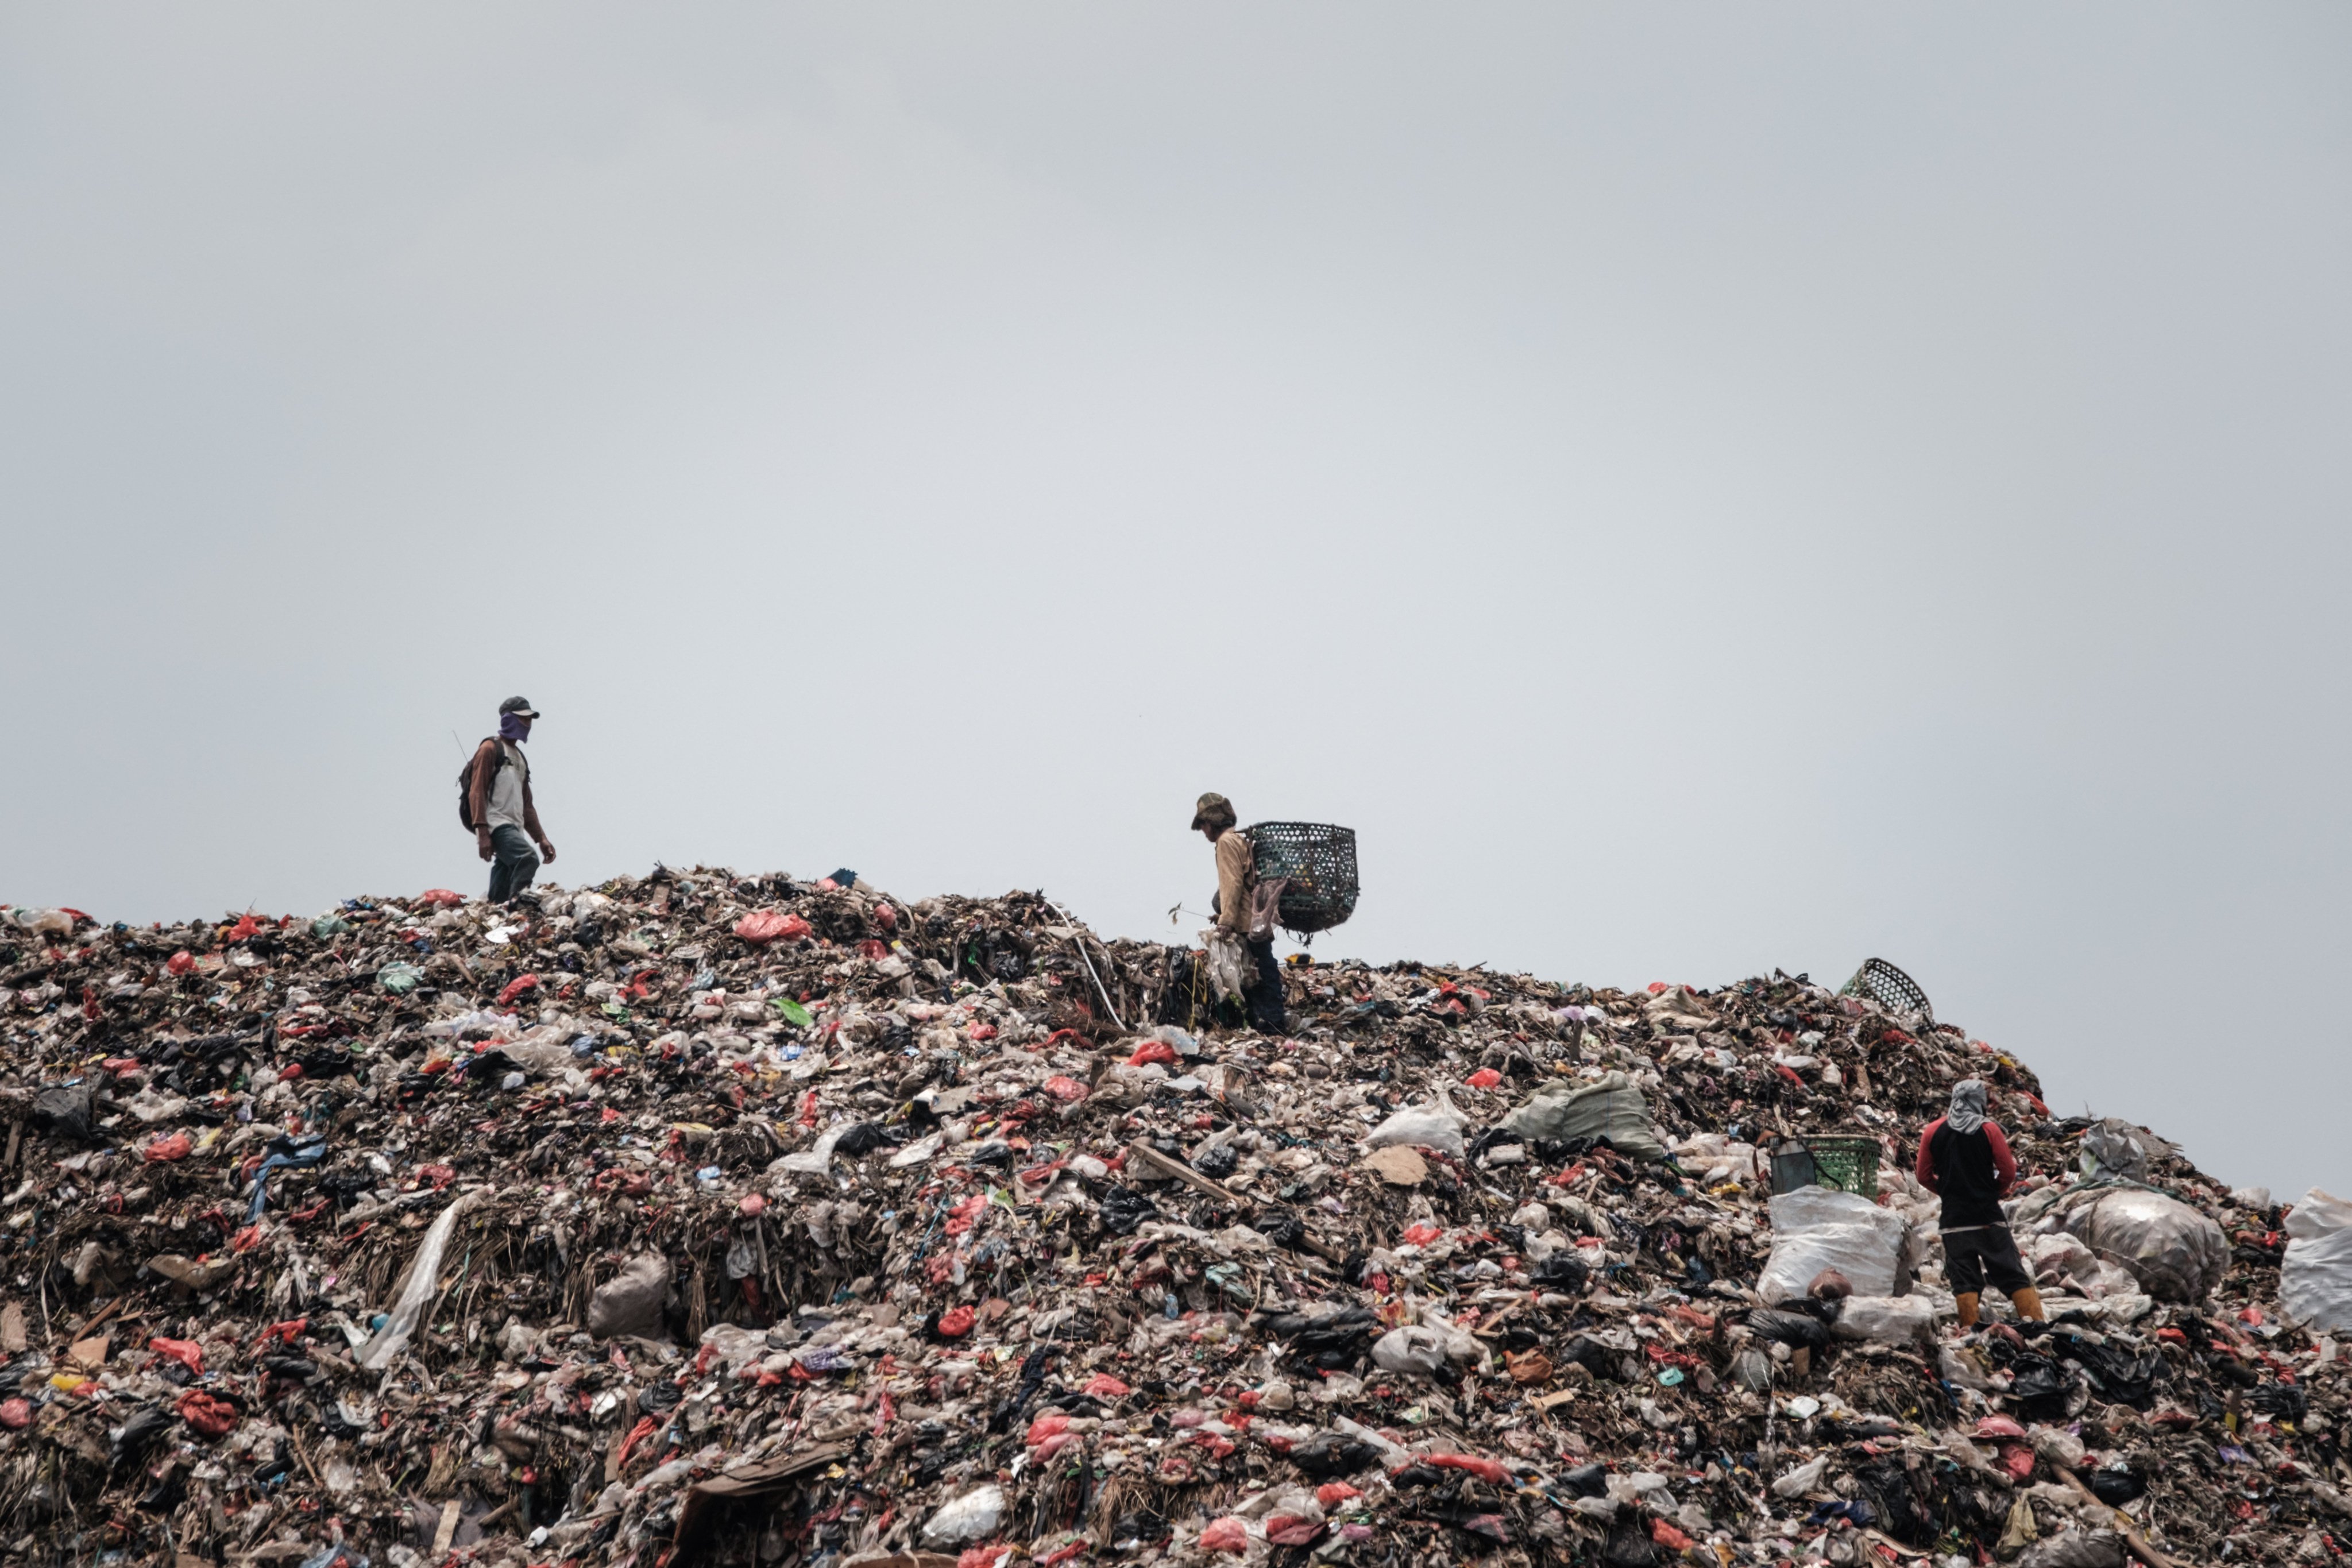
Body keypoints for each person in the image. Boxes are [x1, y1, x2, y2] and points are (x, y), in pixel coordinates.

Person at [1916, 1079, 2043, 1328]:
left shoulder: (1933, 1131)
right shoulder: (1989, 1129)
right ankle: (2039, 1326)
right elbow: (2008, 1171)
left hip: (1953, 1219)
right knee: (2011, 1273)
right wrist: (1992, 1192)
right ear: (1979, 1101)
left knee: (1963, 1278)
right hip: (1987, 1216)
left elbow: (1922, 1175)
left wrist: (1946, 1191)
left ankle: (1969, 1333)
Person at [1192, 793, 1285, 1033]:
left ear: (1210, 823)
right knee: (1255, 972)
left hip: (1245, 921)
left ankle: (1272, 1025)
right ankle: (1263, 1024)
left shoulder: (1225, 842)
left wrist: (1227, 920)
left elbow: (1232, 883)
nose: (1203, 832)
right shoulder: (1238, 840)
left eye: (1202, 825)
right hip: (1253, 919)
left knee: (1261, 971)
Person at [466, 697, 556, 905]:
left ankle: (497, 914)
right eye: (523, 719)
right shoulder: (490, 749)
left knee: (503, 880)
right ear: (508, 720)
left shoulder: (519, 759)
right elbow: (476, 791)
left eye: (530, 720)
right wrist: (482, 831)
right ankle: (519, 908)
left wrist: (541, 838)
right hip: (497, 824)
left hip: (515, 827)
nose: (528, 725)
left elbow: (527, 805)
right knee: (527, 860)